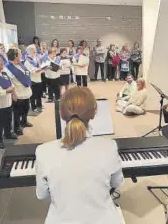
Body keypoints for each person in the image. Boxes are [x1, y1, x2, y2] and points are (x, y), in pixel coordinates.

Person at [35, 87, 124, 224]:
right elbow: (117, 183)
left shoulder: (43, 151)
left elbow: (41, 195)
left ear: (61, 113)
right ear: (94, 113)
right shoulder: (109, 147)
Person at [5, 48, 33, 136]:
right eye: (20, 54)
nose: (21, 55)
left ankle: (24, 121)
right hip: (18, 94)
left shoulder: (21, 64)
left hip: (26, 91)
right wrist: (13, 94)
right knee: (17, 112)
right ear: (15, 56)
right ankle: (16, 127)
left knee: (26, 108)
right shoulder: (7, 68)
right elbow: (8, 83)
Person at [25, 44, 43, 113]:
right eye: (32, 50)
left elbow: (40, 66)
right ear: (29, 51)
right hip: (32, 79)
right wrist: (40, 69)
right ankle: (33, 107)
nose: (34, 51)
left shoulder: (36, 58)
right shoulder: (27, 61)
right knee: (33, 95)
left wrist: (43, 68)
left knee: (39, 93)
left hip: (39, 78)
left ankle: (39, 105)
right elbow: (32, 70)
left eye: (34, 50)